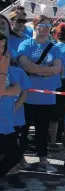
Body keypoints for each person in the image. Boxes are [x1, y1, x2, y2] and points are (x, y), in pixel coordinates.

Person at [17, 15, 62, 173]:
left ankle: (43, 160)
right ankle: (19, 159)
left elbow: (57, 69)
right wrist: (45, 71)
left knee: (43, 132)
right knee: (23, 130)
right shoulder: (26, 44)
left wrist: (38, 70)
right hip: (27, 96)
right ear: (35, 26)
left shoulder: (54, 47)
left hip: (47, 97)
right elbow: (26, 66)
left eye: (48, 25)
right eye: (42, 25)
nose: (45, 28)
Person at [1, 34, 27, 188]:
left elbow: (18, 88)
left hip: (6, 121)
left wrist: (6, 90)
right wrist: (6, 89)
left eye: (3, 47)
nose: (1, 50)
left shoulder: (11, 69)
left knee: (15, 154)